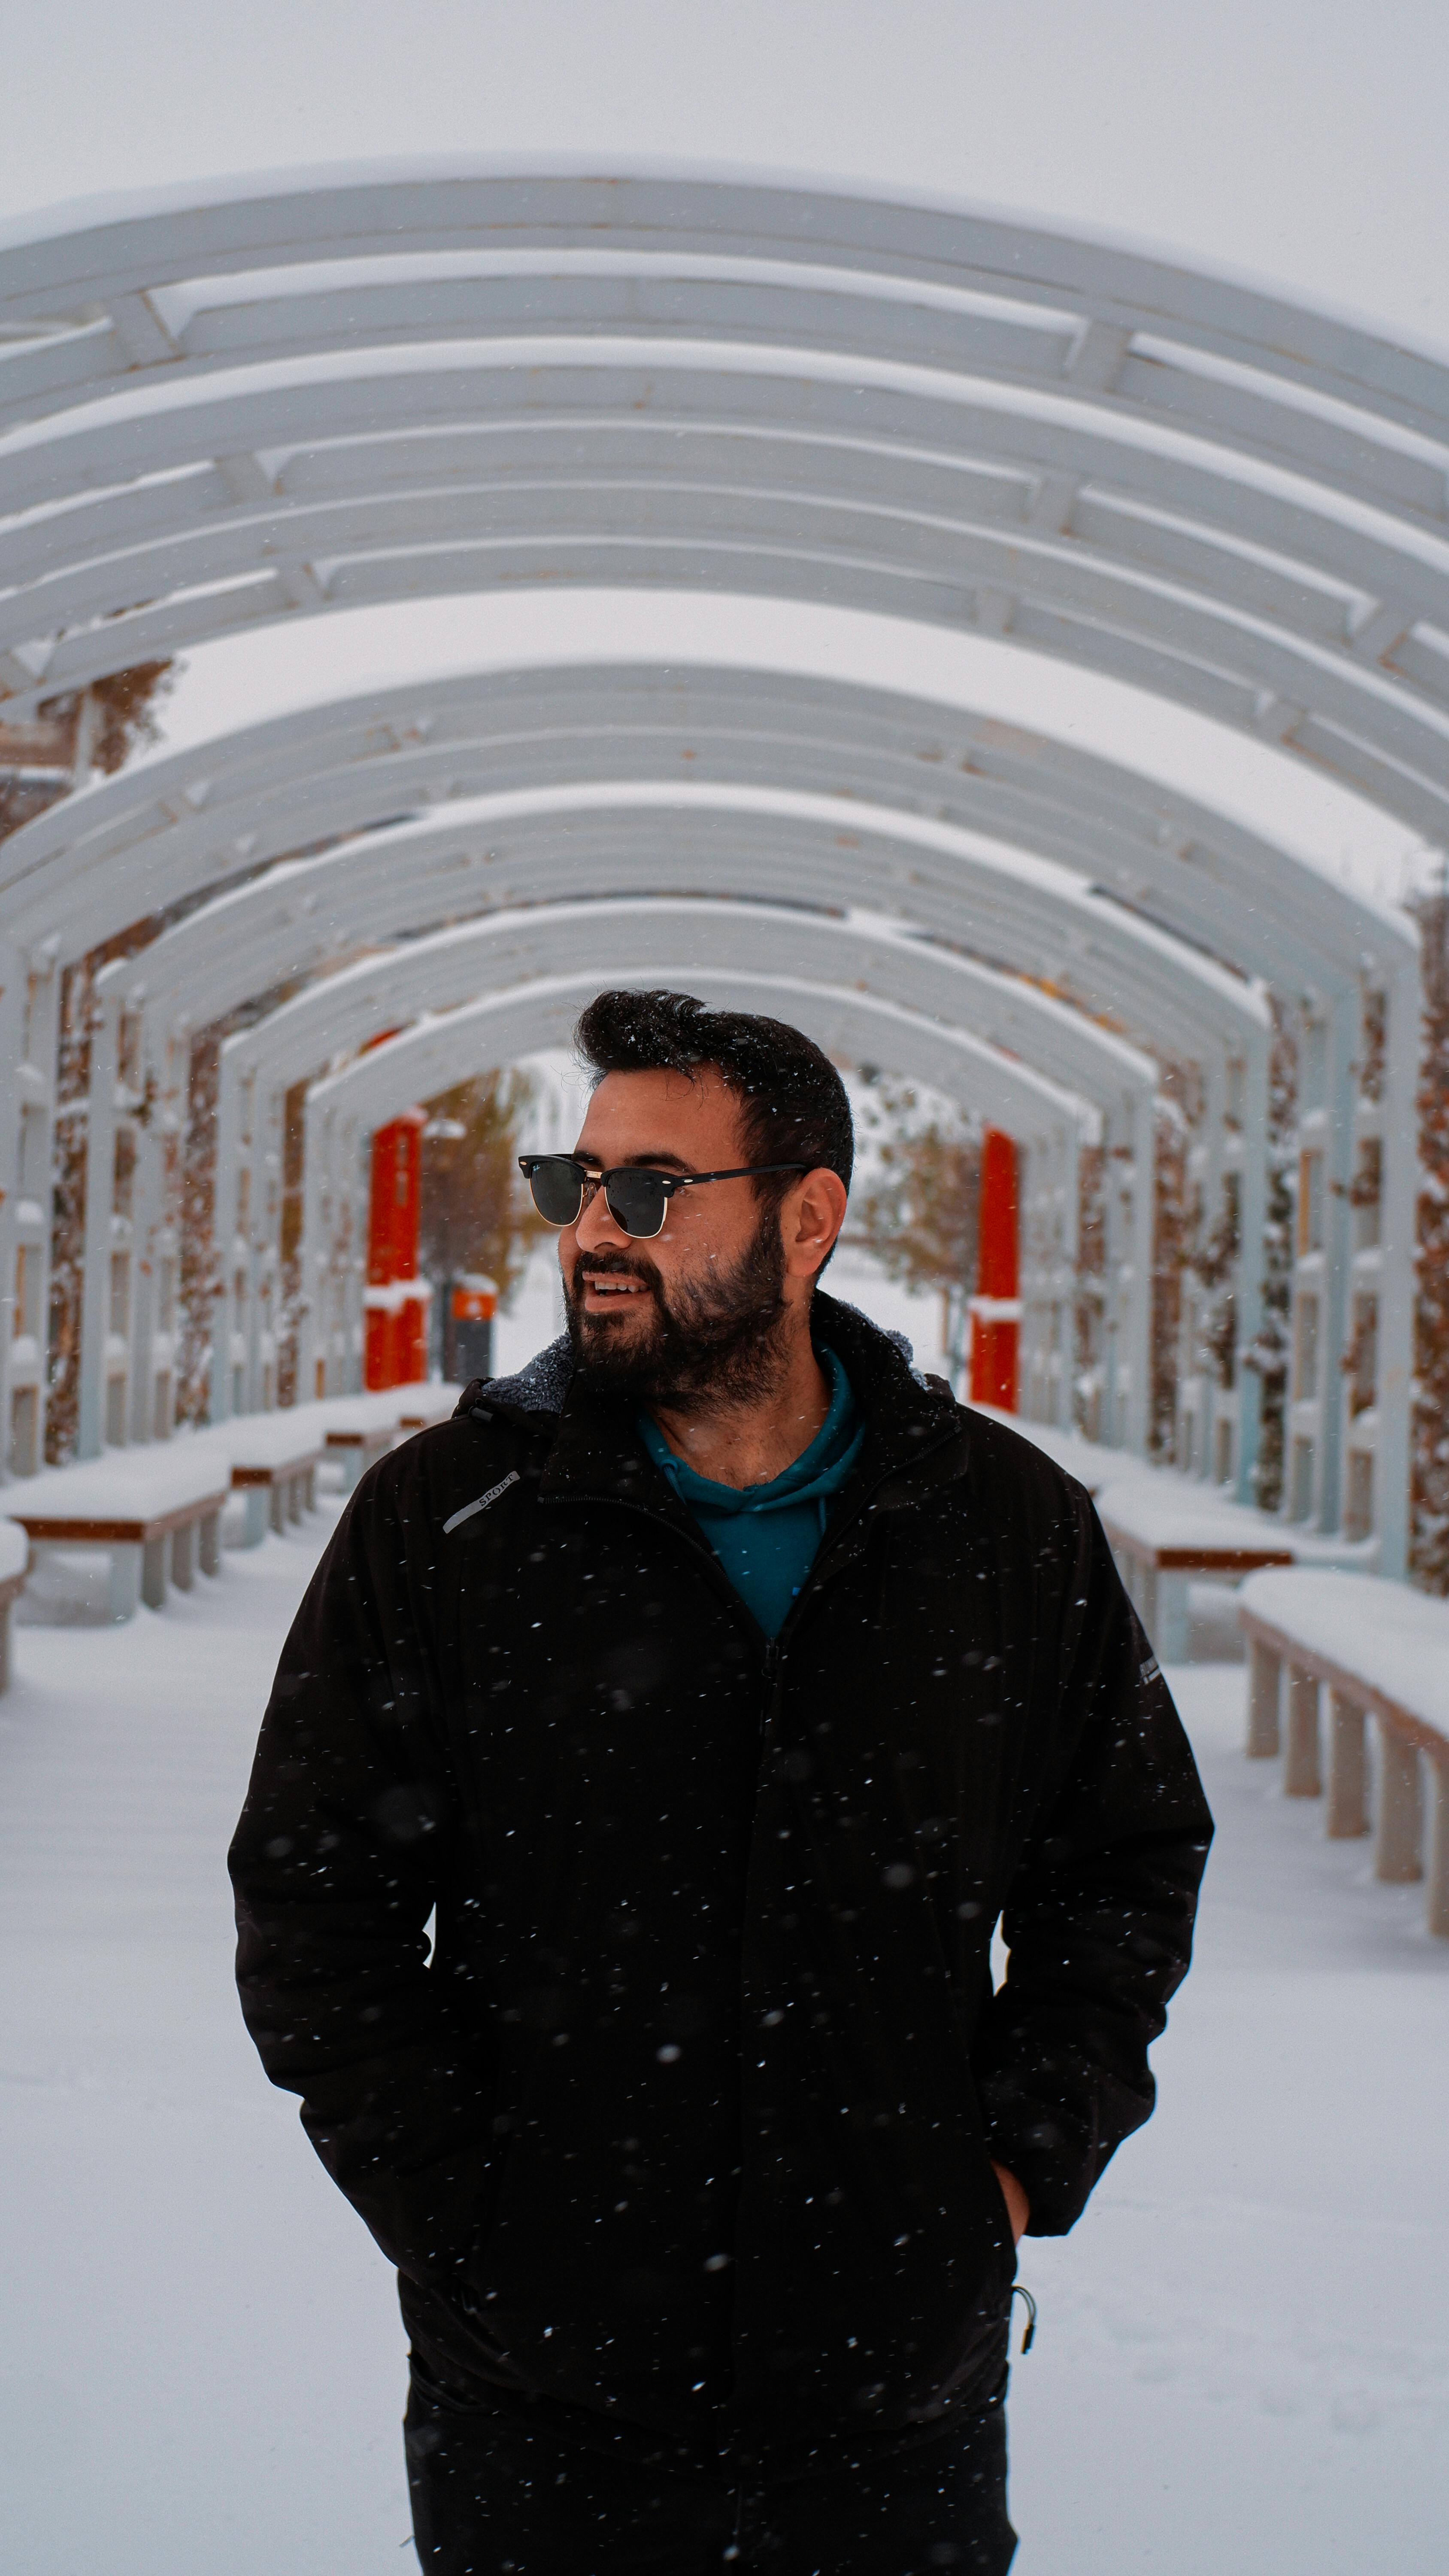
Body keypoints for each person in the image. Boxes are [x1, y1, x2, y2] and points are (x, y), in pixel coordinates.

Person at [230, 989, 1213, 2575]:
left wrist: (1016, 2171)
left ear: (811, 1218)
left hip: (892, 2413)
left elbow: (1126, 1862)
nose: (592, 1232)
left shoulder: (1002, 1530)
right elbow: (312, 1902)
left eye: (651, 1191)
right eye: (578, 1181)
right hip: (542, 2421)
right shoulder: (451, 1522)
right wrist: (466, 2220)